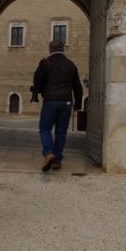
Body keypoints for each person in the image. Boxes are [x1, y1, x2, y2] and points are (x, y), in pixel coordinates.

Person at [31, 38, 83, 172]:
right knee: (61, 132)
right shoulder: (71, 65)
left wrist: (36, 92)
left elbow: (37, 81)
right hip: (66, 102)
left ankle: (49, 153)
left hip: (50, 100)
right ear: (63, 49)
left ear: (50, 49)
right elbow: (77, 87)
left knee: (45, 128)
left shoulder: (45, 63)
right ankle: (57, 160)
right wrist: (78, 104)